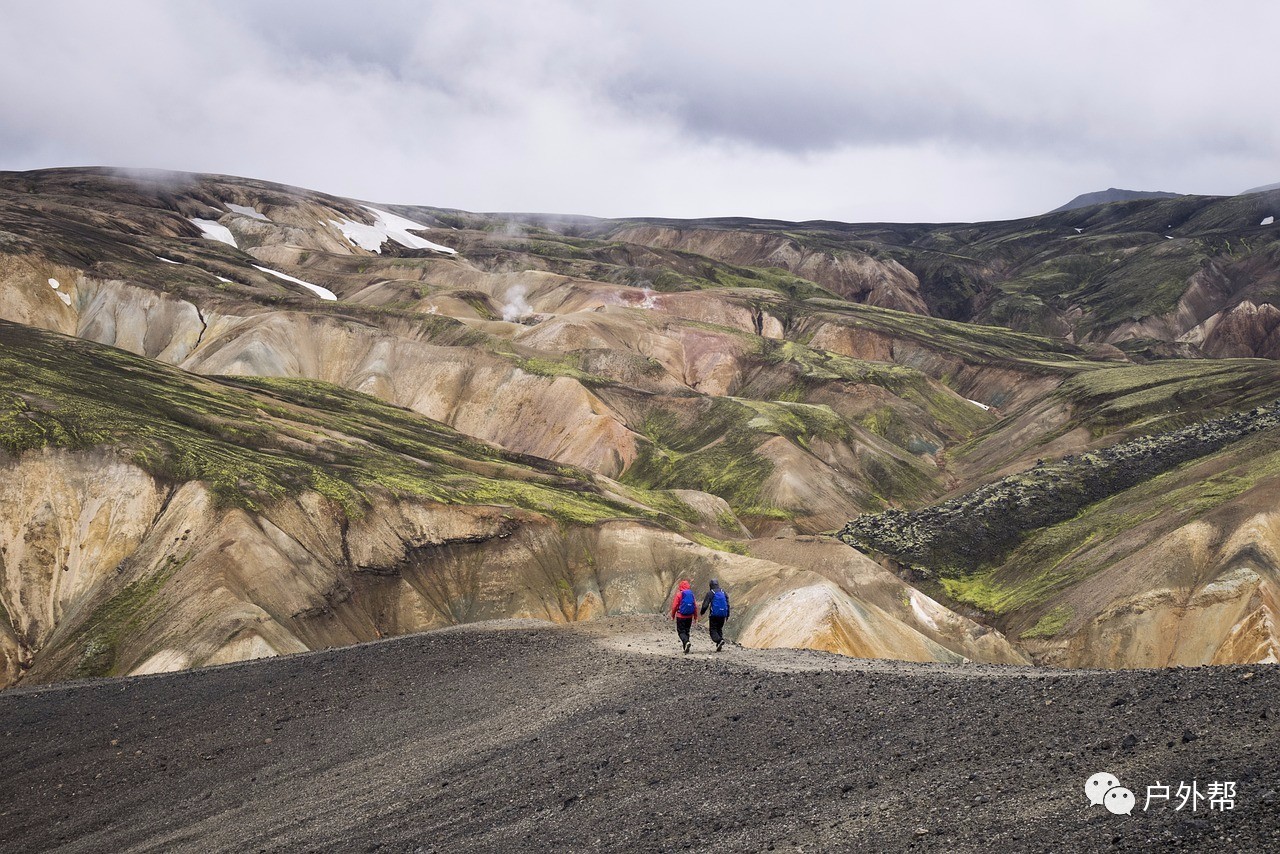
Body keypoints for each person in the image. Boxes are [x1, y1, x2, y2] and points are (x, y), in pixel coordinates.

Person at [701, 579, 730, 652]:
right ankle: (719, 644)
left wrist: (702, 612)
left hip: (714, 615)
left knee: (713, 630)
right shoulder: (723, 592)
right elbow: (727, 605)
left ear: (710, 585)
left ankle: (719, 641)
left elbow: (705, 605)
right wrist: (727, 615)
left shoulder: (711, 593)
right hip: (723, 614)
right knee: (719, 629)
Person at [669, 579, 698, 653]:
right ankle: (686, 646)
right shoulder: (691, 595)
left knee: (681, 631)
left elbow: (674, 606)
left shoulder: (679, 594)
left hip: (680, 616)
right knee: (687, 631)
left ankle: (686, 642)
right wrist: (695, 617)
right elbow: (695, 606)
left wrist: (672, 615)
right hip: (689, 617)